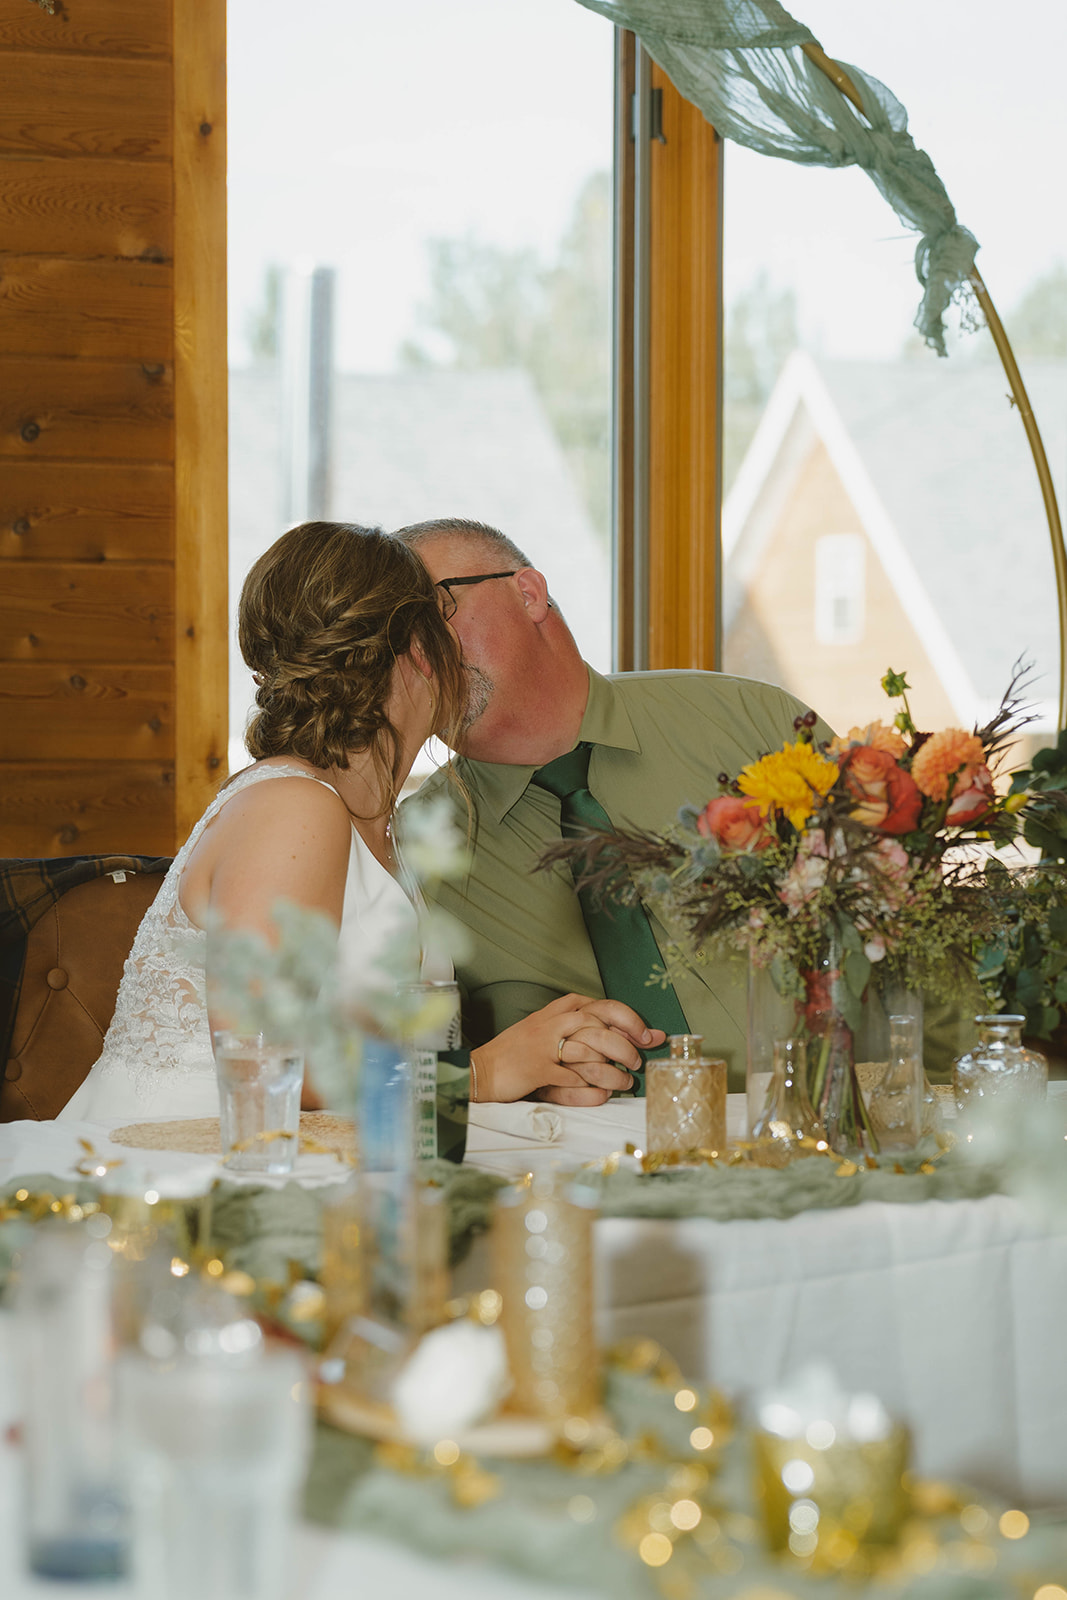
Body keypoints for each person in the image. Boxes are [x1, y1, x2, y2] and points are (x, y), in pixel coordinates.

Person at [58, 522, 661, 1145]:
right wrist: (483, 1071)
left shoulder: (380, 820)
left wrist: (538, 1066)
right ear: (421, 651)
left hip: (329, 1155)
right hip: (168, 1165)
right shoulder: (293, 807)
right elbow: (264, 1054)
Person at [398, 517, 827, 1090]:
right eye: (392, 638)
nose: (416, 651)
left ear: (528, 594)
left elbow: (916, 942)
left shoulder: (755, 726)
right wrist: (508, 1075)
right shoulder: (411, 852)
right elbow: (402, 1070)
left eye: (430, 612)